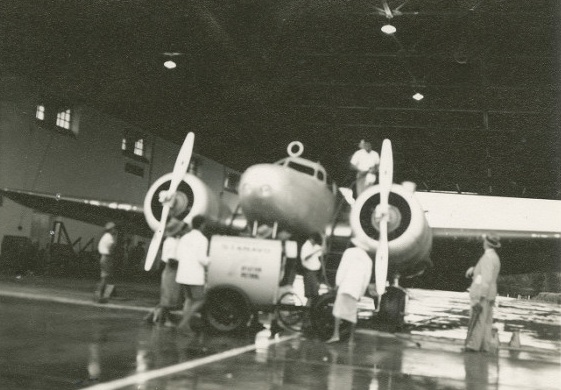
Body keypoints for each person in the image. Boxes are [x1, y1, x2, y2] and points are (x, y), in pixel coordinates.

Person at [326, 241, 372, 344]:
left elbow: (342, 268)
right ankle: (351, 340)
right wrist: (361, 293)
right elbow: (366, 279)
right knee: (352, 313)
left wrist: (337, 283)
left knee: (338, 311)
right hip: (356, 289)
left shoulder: (349, 252)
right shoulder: (368, 260)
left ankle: (336, 335)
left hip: (345, 285)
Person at [144, 218, 187, 326]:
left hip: (172, 271)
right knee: (168, 298)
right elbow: (172, 260)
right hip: (172, 271)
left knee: (168, 297)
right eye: (182, 229)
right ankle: (161, 320)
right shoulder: (172, 242)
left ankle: (151, 316)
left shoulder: (172, 240)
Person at [464, 234, 501, 352]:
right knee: (487, 322)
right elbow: (487, 274)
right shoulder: (495, 257)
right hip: (491, 293)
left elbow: (486, 279)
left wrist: (480, 297)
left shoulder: (486, 258)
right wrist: (474, 270)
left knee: (478, 321)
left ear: (486, 243)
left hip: (482, 294)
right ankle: (485, 345)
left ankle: (473, 346)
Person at [175, 215, 209, 335]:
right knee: (200, 300)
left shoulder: (184, 237)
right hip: (194, 275)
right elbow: (202, 259)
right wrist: (211, 261)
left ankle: (186, 327)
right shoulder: (202, 239)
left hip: (182, 273)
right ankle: (183, 324)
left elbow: (178, 256)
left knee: (188, 300)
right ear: (201, 225)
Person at [300, 232, 324, 332]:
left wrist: (324, 239)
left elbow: (323, 250)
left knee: (313, 296)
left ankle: (307, 320)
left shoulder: (314, 246)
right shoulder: (306, 246)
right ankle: (305, 321)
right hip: (309, 272)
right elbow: (305, 257)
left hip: (314, 272)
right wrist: (314, 252)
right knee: (312, 296)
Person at [94, 222, 117, 303]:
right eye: (114, 229)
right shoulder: (110, 238)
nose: (115, 230)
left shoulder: (104, 236)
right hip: (107, 258)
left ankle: (99, 295)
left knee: (105, 277)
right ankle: (102, 296)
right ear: (111, 230)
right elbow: (111, 250)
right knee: (107, 278)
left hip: (103, 257)